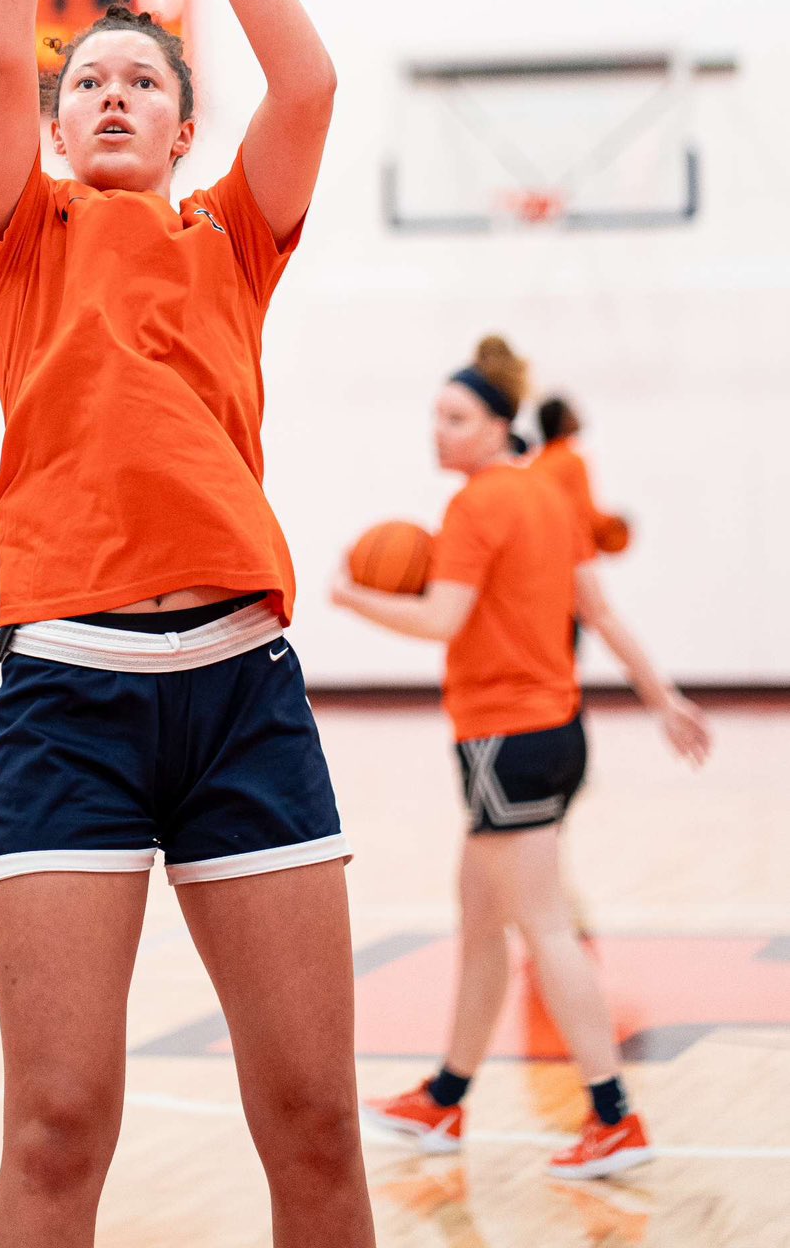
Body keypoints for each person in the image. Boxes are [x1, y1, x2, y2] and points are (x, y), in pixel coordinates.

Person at [0, 0, 374, 1248]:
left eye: (141, 83)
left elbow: (311, 86)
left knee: (316, 1121)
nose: (109, 94)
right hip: (67, 695)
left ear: (187, 132)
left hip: (244, 688)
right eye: (88, 86)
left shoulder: (229, 241)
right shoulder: (27, 237)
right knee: (60, 1125)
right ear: (55, 133)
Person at [330, 335, 710, 1182]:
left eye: (457, 417)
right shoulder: (545, 495)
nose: (440, 430)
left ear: (499, 425)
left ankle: (614, 1117)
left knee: (543, 928)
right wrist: (663, 698)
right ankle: (446, 1097)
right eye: (435, 415)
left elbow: (439, 621)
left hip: (506, 736)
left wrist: (350, 594)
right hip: (556, 735)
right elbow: (601, 614)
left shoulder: (476, 509)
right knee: (478, 916)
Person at [534, 395, 632, 559]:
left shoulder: (537, 463)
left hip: (545, 553)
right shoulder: (572, 460)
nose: (577, 415)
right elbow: (587, 516)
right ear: (563, 421)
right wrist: (618, 526)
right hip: (574, 555)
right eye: (571, 411)